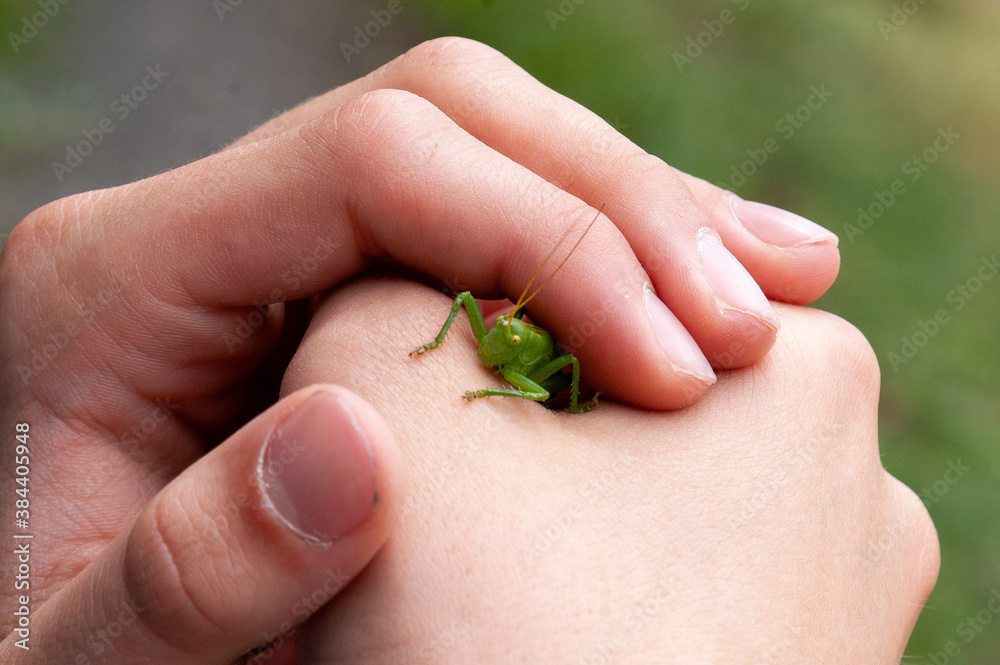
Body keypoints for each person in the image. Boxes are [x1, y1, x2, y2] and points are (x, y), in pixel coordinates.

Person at [0, 37, 935, 663]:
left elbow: (548, 367)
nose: (507, 327)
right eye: (506, 316)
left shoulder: (532, 351)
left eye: (518, 319)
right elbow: (459, 307)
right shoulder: (484, 320)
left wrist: (506, 397)